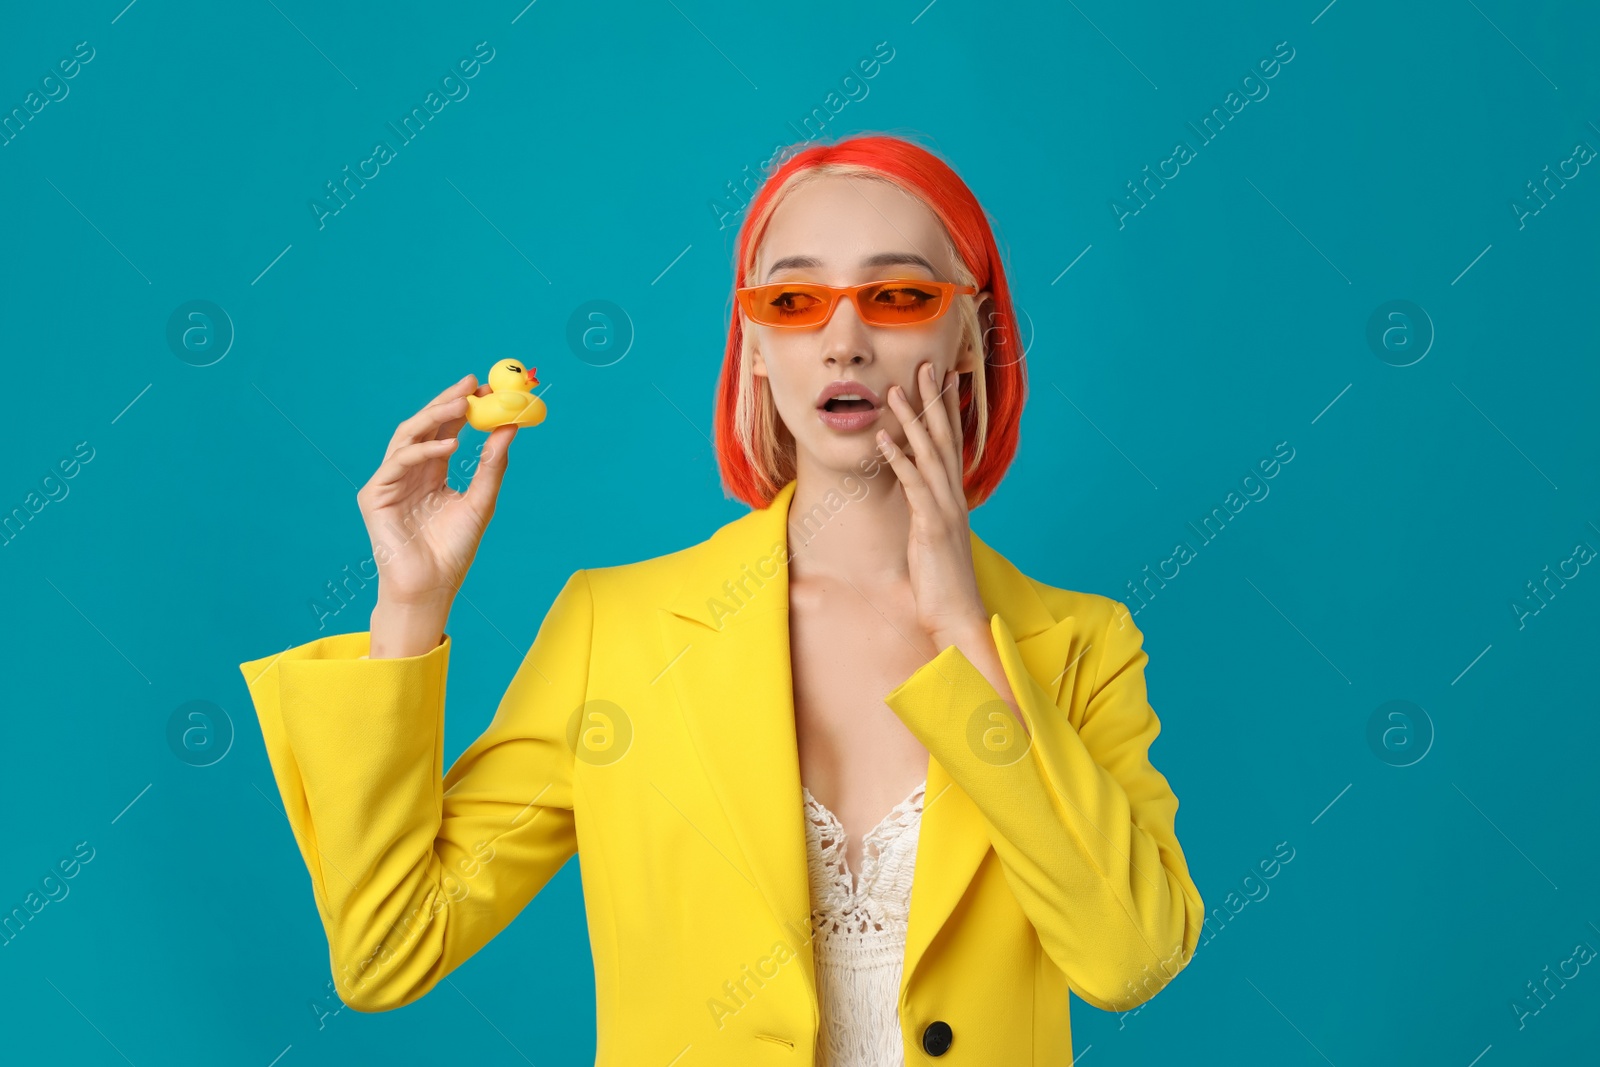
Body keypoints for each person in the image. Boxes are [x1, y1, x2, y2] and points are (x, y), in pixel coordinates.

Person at [239, 132, 1204, 1066]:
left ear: (969, 333)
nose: (845, 340)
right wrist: (408, 610)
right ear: (751, 349)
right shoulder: (615, 632)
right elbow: (387, 950)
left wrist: (961, 626)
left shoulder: (1080, 644)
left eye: (900, 294)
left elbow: (1133, 959)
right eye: (794, 299)